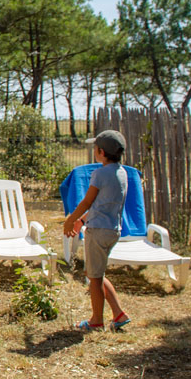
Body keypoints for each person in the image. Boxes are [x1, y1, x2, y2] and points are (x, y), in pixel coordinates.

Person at [63, 130, 132, 332]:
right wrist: (83, 220)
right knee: (96, 274)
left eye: (95, 148)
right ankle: (119, 313)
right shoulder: (122, 172)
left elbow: (88, 201)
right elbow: (104, 204)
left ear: (101, 152)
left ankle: (96, 321)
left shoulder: (100, 174)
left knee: (94, 278)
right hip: (112, 230)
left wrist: (71, 219)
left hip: (98, 231)